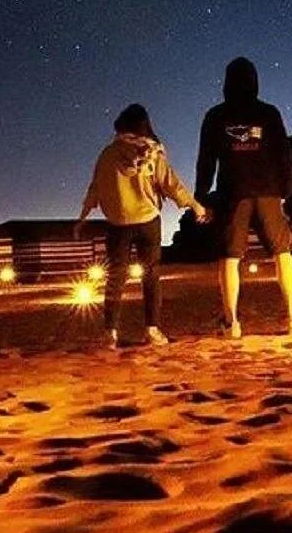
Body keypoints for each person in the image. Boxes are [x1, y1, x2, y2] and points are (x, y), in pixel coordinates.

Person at [76, 104, 208, 349]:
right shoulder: (152, 153)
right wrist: (195, 206)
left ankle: (110, 334)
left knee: (116, 277)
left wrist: (83, 216)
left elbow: (95, 186)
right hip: (148, 221)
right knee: (151, 276)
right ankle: (152, 330)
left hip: (117, 224)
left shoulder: (108, 154)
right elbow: (172, 184)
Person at [196, 57, 292, 338]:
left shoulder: (215, 116)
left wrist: (201, 195)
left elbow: (206, 159)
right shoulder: (269, 113)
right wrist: (286, 189)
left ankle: (231, 323)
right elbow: (284, 153)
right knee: (282, 251)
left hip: (234, 192)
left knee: (230, 256)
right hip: (269, 191)